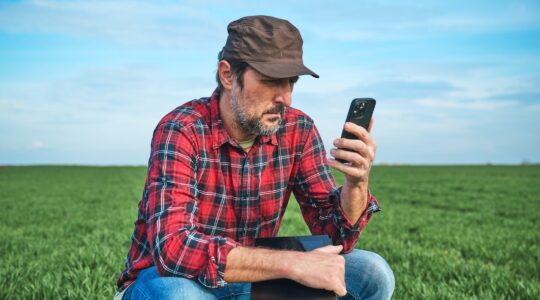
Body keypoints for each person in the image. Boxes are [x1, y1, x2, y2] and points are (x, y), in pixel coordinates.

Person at [116, 15, 394, 300]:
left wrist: (356, 185)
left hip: (259, 276)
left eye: (291, 82)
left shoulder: (299, 128)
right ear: (227, 75)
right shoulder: (182, 129)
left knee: (372, 272)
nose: (286, 99)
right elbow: (174, 250)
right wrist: (291, 263)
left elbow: (335, 239)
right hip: (173, 281)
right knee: (177, 296)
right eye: (271, 81)